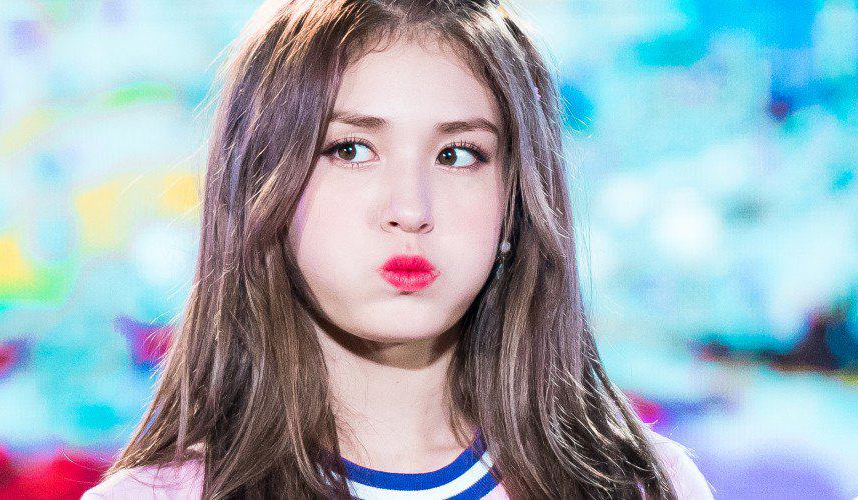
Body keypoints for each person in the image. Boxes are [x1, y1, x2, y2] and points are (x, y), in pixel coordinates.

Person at [83, 0, 714, 498]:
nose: (411, 210)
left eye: (457, 155)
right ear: (259, 186)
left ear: (518, 199)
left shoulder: (645, 486)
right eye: (351, 150)